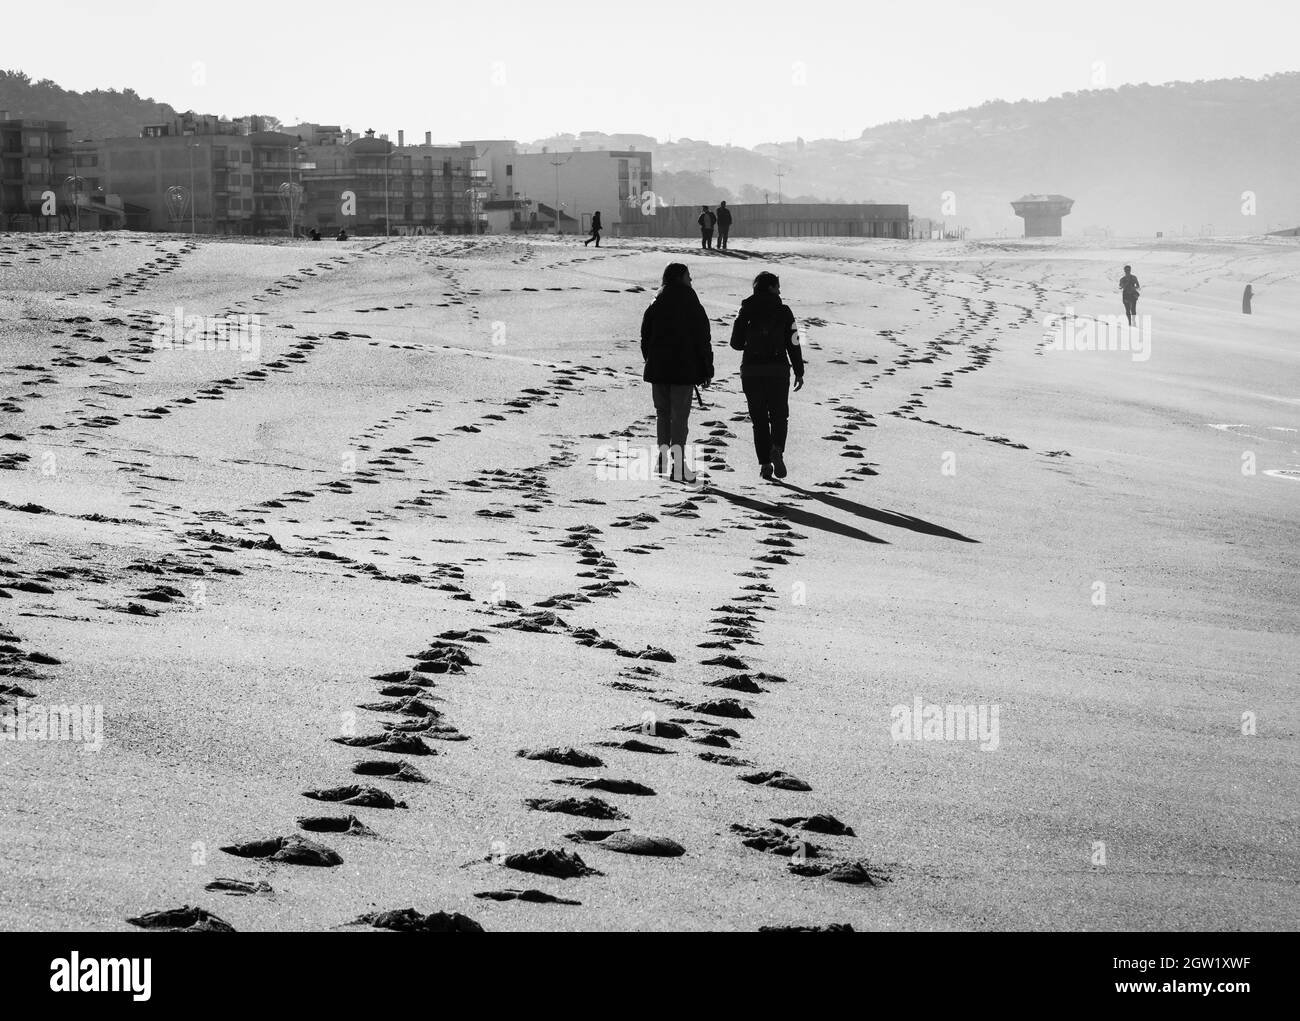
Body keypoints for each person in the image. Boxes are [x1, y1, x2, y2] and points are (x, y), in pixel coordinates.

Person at [640, 263, 713, 482]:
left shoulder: (657, 300)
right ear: (680, 277)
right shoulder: (690, 301)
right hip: (683, 370)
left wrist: (650, 360)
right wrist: (706, 369)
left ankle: (662, 459)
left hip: (659, 369)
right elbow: (703, 338)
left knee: (662, 414)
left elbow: (645, 336)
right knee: (679, 418)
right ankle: (678, 465)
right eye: (688, 277)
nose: (691, 281)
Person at [730, 271, 804, 480]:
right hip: (778, 370)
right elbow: (794, 342)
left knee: (759, 419)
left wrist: (750, 344)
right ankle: (777, 449)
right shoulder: (784, 311)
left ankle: (764, 465)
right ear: (771, 288)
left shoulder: (746, 308)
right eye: (778, 286)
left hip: (752, 370)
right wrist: (799, 370)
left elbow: (735, 343)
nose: (780, 290)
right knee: (780, 416)